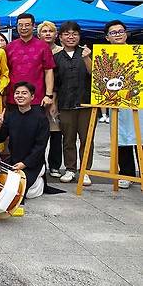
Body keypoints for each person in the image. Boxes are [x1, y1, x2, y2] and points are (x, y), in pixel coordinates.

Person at [54, 22, 93, 186]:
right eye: (67, 34)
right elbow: (55, 84)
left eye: (74, 34)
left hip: (86, 104)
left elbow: (95, 76)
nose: (71, 37)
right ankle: (70, 169)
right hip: (65, 104)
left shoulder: (86, 54)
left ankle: (85, 171)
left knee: (86, 139)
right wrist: (54, 105)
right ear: (61, 37)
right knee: (68, 139)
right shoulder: (56, 57)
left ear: (79, 36)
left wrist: (86, 58)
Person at [0, 82, 48, 199]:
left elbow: (40, 146)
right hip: (14, 160)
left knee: (22, 192)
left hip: (33, 162)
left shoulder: (41, 118)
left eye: (24, 93)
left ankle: (40, 181)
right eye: (17, 93)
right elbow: (0, 138)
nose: (20, 96)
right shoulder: (10, 115)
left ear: (32, 97)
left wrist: (24, 164)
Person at [104, 20, 140, 189]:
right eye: (113, 32)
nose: (117, 35)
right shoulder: (104, 55)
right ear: (107, 37)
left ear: (126, 33)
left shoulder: (137, 53)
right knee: (121, 137)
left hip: (137, 102)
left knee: (140, 136)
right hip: (116, 102)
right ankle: (126, 173)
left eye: (120, 31)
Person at [5, 13, 55, 109]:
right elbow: (5, 72)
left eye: (27, 25)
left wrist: (48, 95)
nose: (23, 28)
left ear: (33, 26)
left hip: (37, 99)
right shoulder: (9, 47)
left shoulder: (43, 46)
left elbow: (49, 70)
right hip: (13, 98)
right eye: (20, 25)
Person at [35, 21, 64, 176]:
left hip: (55, 96)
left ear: (56, 34)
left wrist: (52, 97)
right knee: (38, 132)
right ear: (39, 35)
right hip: (38, 96)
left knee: (55, 132)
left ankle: (54, 165)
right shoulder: (36, 49)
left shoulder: (61, 51)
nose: (47, 34)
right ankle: (39, 164)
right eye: (44, 31)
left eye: (50, 31)